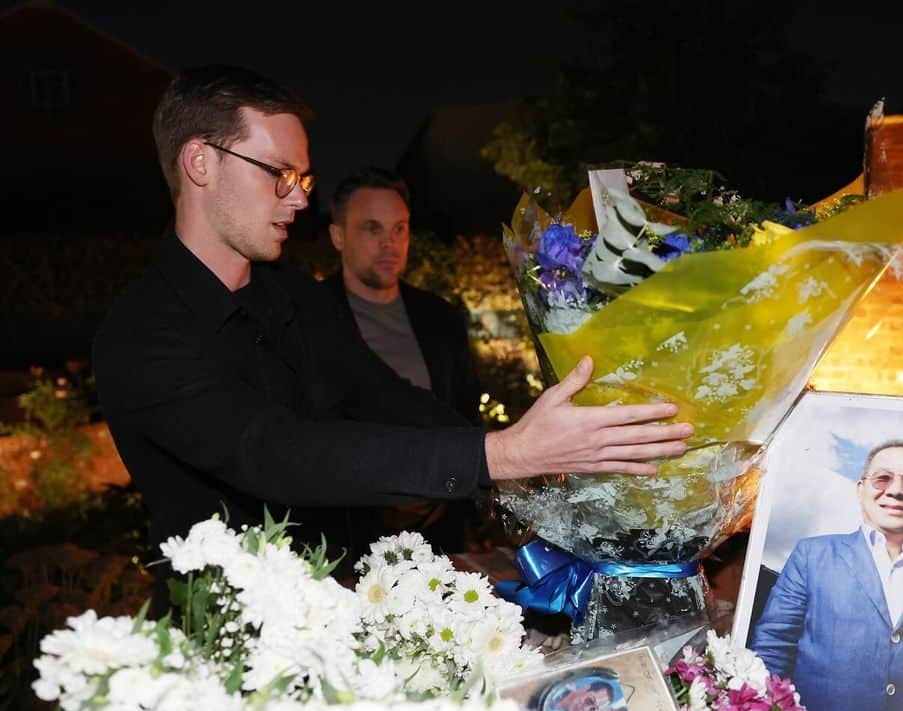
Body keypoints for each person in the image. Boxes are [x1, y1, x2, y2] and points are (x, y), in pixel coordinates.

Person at [91, 65, 692, 615]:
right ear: (201, 162)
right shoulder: (143, 334)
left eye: (302, 177)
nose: (300, 197)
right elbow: (274, 454)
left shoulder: (292, 295)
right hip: (222, 647)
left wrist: (522, 460)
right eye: (279, 174)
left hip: (334, 613)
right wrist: (503, 455)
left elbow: (383, 395)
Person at [748, 440, 903, 711]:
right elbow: (772, 648)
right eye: (882, 478)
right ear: (860, 490)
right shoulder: (812, 555)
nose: (895, 490)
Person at [324, 170, 481, 555]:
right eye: (372, 229)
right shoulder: (310, 317)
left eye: (399, 229)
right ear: (338, 236)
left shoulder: (441, 319)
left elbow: (463, 415)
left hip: (438, 534)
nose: (389, 243)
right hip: (346, 537)